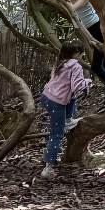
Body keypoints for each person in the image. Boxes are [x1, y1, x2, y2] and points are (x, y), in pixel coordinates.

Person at [39, 43, 92, 180]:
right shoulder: (75, 66)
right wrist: (87, 83)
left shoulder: (61, 63)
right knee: (57, 133)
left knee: (56, 127)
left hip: (47, 97)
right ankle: (48, 168)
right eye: (81, 54)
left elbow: (69, 87)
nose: (82, 57)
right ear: (76, 53)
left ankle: (67, 120)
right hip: (57, 102)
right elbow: (77, 87)